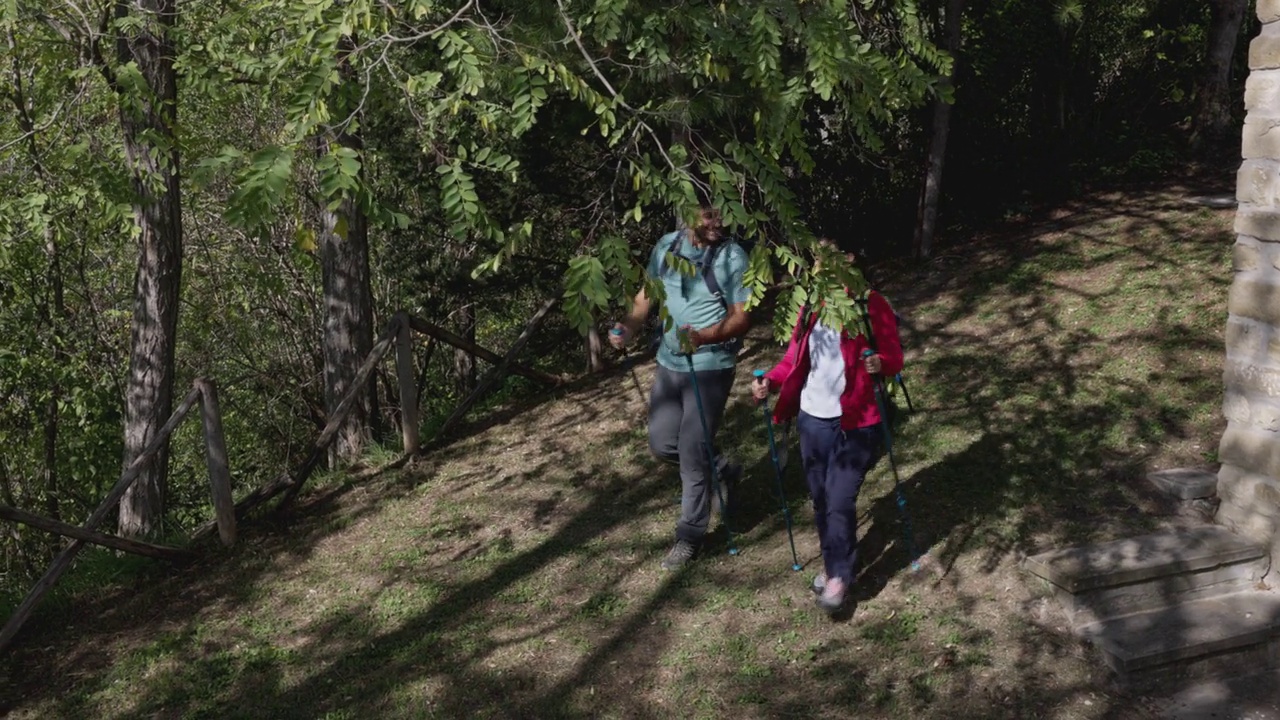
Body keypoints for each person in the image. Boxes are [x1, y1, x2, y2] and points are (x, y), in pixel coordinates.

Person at [751, 241, 903, 614]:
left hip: (858, 419)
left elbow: (894, 357)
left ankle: (838, 576)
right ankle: (834, 562)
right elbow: (792, 361)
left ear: (850, 260)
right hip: (812, 417)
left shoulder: (870, 304)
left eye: (828, 257)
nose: (819, 264)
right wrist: (770, 381)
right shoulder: (809, 308)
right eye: (816, 259)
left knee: (839, 498)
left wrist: (878, 364)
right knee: (821, 499)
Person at [610, 206, 752, 570]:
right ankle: (723, 470)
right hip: (669, 363)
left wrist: (703, 337)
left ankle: (690, 536)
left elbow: (742, 317)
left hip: (711, 366)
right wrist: (627, 328)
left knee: (691, 452)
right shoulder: (667, 246)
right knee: (662, 443)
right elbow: (646, 297)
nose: (716, 224)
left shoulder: (732, 256)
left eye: (721, 217)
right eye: (708, 216)